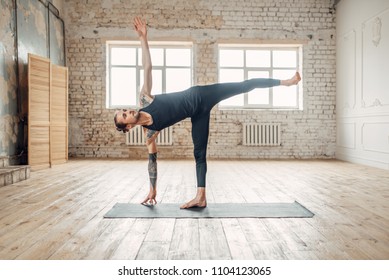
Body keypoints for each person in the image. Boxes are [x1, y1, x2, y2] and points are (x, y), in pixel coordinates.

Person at [114, 17, 301, 209]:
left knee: (245, 85)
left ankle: (287, 82)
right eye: (125, 115)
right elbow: (152, 161)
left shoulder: (145, 99)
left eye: (125, 110)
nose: (128, 111)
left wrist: (143, 38)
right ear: (128, 126)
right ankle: (200, 197)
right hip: (198, 115)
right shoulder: (150, 134)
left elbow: (148, 67)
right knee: (199, 153)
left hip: (201, 95)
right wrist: (153, 189)